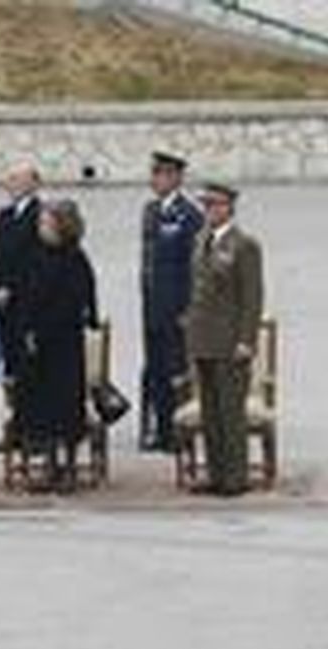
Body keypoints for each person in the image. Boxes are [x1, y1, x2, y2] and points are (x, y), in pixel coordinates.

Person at [181, 181, 265, 497]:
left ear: (229, 207)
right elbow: (198, 288)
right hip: (203, 337)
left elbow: (252, 297)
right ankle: (215, 474)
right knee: (210, 413)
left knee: (231, 413)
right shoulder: (201, 239)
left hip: (230, 340)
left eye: (215, 205)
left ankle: (235, 477)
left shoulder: (244, 245)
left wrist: (247, 339)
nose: (209, 211)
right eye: (206, 205)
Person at [15, 199, 97, 494]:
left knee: (64, 406)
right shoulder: (35, 256)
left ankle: (69, 467)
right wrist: (25, 329)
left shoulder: (74, 259)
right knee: (40, 407)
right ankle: (48, 463)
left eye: (47, 224)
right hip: (37, 347)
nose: (41, 229)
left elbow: (78, 302)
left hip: (63, 345)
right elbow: (24, 296)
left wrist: (44, 327)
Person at [140, 150, 204, 452]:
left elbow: (194, 266)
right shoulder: (151, 210)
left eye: (162, 174)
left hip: (177, 307)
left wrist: (190, 308)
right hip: (153, 306)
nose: (156, 180)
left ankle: (179, 432)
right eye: (154, 174)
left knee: (176, 370)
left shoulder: (189, 215)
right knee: (156, 369)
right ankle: (161, 429)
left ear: (176, 177)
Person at [0, 162, 44, 443]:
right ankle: (16, 422)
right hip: (3, 308)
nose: (10, 184)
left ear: (33, 183)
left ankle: (32, 427)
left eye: (17, 179)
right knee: (9, 370)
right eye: (8, 179)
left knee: (30, 369)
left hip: (28, 307)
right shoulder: (4, 216)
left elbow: (35, 263)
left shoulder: (42, 215)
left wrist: (13, 291)